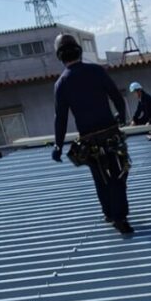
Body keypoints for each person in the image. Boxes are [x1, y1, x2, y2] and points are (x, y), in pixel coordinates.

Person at [52, 34, 134, 235]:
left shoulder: (61, 84)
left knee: (100, 177)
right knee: (118, 173)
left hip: (89, 140)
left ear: (60, 56)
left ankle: (109, 213)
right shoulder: (97, 71)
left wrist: (58, 146)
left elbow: (60, 119)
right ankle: (119, 216)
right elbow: (117, 97)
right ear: (79, 51)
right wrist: (121, 117)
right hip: (110, 133)